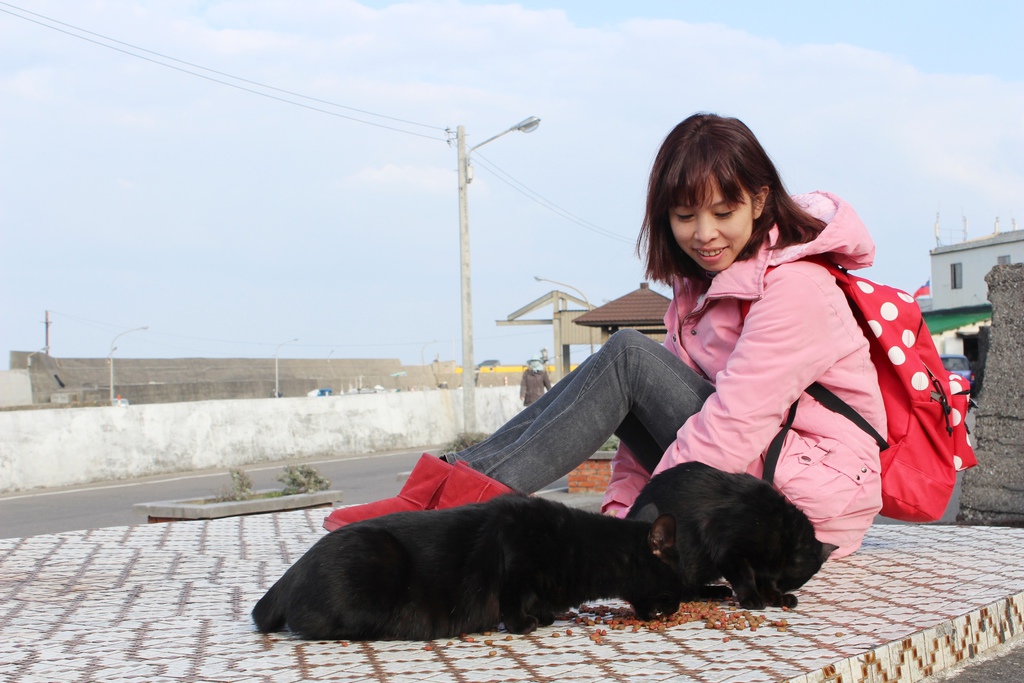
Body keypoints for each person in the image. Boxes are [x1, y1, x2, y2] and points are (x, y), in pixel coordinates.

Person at [324, 112, 884, 559]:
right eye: (685, 216)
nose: (704, 234)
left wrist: (636, 539)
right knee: (625, 363)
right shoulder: (700, 291)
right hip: (755, 477)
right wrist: (619, 515)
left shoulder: (797, 289)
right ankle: (439, 494)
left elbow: (732, 428)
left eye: (723, 211)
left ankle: (445, 511)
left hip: (803, 511)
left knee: (625, 357)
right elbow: (638, 413)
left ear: (759, 201)